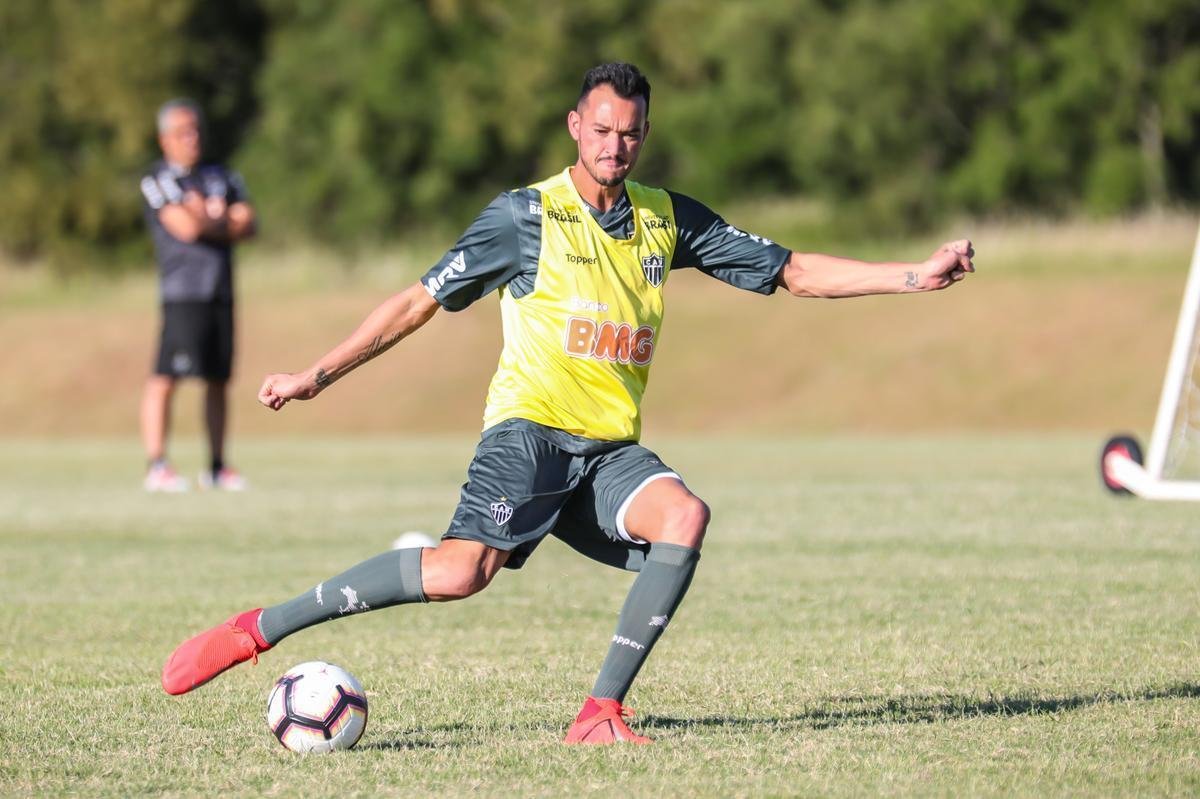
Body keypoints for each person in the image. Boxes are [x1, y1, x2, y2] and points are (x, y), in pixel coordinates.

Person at [161, 63, 973, 743]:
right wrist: (318, 373)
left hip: (611, 450)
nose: (614, 145)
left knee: (685, 516)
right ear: (574, 126)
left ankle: (599, 711)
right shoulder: (524, 216)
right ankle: (260, 627)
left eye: (630, 133)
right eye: (601, 128)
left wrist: (913, 274)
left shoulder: (665, 218)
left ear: (643, 136)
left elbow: (794, 270)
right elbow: (417, 301)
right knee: (458, 573)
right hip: (530, 435)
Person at [139, 99, 257, 492]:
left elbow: (248, 223)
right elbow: (184, 229)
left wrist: (204, 215)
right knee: (166, 377)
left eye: (196, 130)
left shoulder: (221, 176)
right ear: (164, 139)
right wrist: (218, 218)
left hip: (220, 291)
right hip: (182, 295)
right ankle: (157, 464)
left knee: (218, 379)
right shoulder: (158, 180)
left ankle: (218, 465)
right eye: (182, 132)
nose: (192, 139)